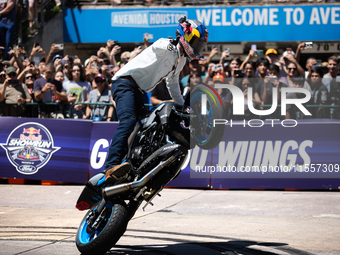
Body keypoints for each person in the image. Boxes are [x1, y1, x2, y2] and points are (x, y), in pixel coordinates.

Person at [104, 17, 208, 184]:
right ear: (186, 36)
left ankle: (130, 164)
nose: (197, 48)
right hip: (124, 83)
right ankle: (111, 165)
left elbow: (172, 85)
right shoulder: (165, 45)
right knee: (128, 121)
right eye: (196, 42)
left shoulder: (181, 61)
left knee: (146, 125)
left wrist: (183, 107)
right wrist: (172, 44)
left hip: (137, 90)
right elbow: (160, 46)